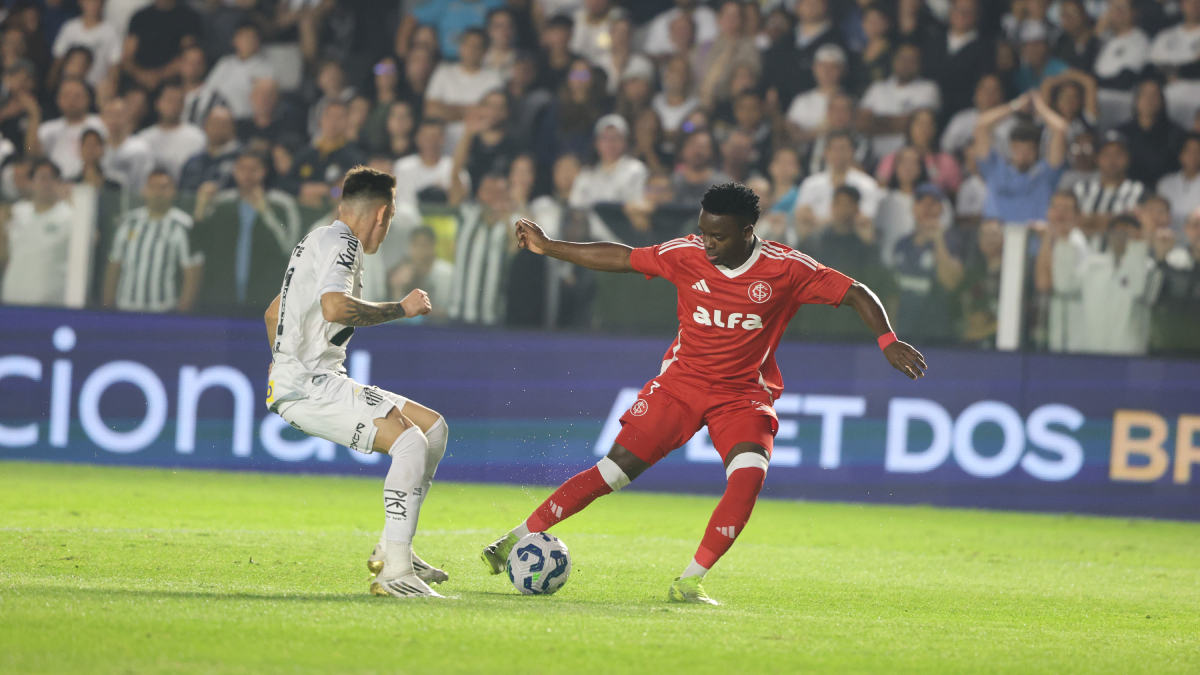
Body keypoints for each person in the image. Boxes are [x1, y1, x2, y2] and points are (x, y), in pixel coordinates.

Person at [480, 182, 928, 604]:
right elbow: (622, 258)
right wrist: (550, 246)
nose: (707, 242)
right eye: (703, 231)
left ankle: (690, 581)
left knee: (749, 475)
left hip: (742, 394)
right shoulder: (685, 254)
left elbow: (855, 292)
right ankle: (513, 540)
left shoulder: (786, 268)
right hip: (681, 386)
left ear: (747, 232)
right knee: (612, 472)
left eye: (718, 235)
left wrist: (887, 340)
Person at [263, 166, 449, 599]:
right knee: (410, 443)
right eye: (392, 218)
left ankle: (393, 545)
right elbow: (333, 307)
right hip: (310, 384)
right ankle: (395, 572)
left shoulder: (316, 240)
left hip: (307, 378)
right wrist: (401, 309)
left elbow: (274, 313)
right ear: (382, 215)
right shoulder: (344, 244)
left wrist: (281, 365)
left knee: (434, 429)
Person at [195, 151, 301, 315]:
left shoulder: (282, 204)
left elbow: (289, 248)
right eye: (242, 169)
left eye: (254, 170)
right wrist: (201, 208)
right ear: (235, 171)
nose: (248, 175)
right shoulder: (222, 203)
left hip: (265, 298)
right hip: (223, 298)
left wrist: (265, 212)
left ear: (264, 171)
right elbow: (199, 246)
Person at [102, 168, 202, 313]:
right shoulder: (128, 222)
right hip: (125, 308)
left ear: (173, 191)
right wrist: (107, 305)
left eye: (163, 187)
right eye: (152, 187)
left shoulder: (184, 226)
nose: (157, 193)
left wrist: (182, 313)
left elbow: (192, 273)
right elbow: (114, 264)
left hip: (163, 311)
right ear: (144, 190)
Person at [974, 91, 1069, 224]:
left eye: (1028, 150)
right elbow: (981, 125)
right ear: (1010, 147)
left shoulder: (1046, 174)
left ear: (1036, 151)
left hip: (1033, 240)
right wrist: (1016, 106)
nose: (1023, 155)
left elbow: (1060, 128)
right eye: (1018, 149)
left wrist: (1039, 107)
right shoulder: (994, 168)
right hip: (998, 239)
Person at [888, 183, 964, 344]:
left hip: (938, 336)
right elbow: (894, 292)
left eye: (933, 202)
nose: (927, 207)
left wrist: (938, 240)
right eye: (921, 201)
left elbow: (951, 283)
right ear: (913, 207)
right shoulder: (902, 244)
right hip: (904, 334)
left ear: (941, 209)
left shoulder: (953, 242)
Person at [0, 159, 75, 307]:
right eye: (41, 177)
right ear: (31, 183)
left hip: (50, 306)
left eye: (51, 178)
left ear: (58, 183)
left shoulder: (70, 216)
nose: (45, 183)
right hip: (12, 302)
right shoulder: (17, 212)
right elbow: (4, 255)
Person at [447, 171, 516, 325]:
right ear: (479, 194)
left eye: (499, 193)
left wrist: (505, 216)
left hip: (491, 320)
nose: (493, 198)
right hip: (458, 314)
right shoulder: (467, 217)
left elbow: (517, 250)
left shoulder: (510, 225)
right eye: (489, 192)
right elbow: (454, 178)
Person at [856, 43, 942, 159]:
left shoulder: (928, 88)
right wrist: (898, 122)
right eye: (902, 58)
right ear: (893, 60)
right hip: (875, 158)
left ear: (920, 64)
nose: (905, 63)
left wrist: (876, 122)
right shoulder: (877, 87)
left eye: (911, 60)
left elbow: (911, 124)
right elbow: (861, 124)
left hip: (912, 160)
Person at [795, 131, 882, 239]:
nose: (838, 154)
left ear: (852, 151)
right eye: (834, 149)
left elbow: (865, 219)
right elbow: (802, 216)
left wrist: (819, 221)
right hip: (817, 242)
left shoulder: (867, 184)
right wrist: (840, 220)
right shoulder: (811, 184)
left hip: (852, 241)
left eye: (843, 149)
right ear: (826, 152)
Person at [28, 78, 106, 180]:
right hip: (57, 185)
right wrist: (34, 115)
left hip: (87, 181)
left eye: (77, 96)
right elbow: (32, 153)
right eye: (66, 96)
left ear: (88, 98)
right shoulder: (48, 129)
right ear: (58, 100)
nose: (71, 100)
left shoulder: (100, 124)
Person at [568, 114, 647, 208]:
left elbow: (638, 204)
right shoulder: (586, 175)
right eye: (605, 138)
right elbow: (576, 208)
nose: (610, 143)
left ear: (625, 142)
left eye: (616, 138)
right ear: (597, 143)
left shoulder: (636, 171)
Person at [134, 84, 207, 181]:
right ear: (158, 103)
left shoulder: (197, 137)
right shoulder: (143, 138)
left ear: (183, 106)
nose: (173, 106)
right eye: (169, 100)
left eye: (177, 101)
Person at [204, 22, 276, 120]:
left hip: (244, 117)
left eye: (251, 38)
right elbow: (209, 88)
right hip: (219, 116)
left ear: (257, 42)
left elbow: (263, 99)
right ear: (234, 41)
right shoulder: (225, 62)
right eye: (243, 38)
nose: (247, 42)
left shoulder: (265, 68)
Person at [1073, 133, 1144, 231]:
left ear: (1127, 158)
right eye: (1106, 154)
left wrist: (1091, 220)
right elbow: (1071, 222)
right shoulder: (1081, 188)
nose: (1112, 160)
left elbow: (1138, 226)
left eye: (1118, 154)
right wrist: (1118, 220)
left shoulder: (1139, 191)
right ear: (1097, 158)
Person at [394, 121, 466, 207]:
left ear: (443, 139)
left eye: (434, 137)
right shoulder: (402, 167)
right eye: (426, 137)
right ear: (417, 138)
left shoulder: (454, 167)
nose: (431, 142)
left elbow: (460, 202)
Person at [178, 106, 241, 192]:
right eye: (214, 123)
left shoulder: (241, 159)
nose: (218, 129)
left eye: (223, 125)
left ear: (232, 128)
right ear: (205, 126)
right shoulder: (193, 161)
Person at [1157, 134, 1200, 235]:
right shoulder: (1165, 184)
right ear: (1180, 154)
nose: (1192, 155)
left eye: (1197, 151)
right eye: (1188, 150)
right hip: (1169, 239)